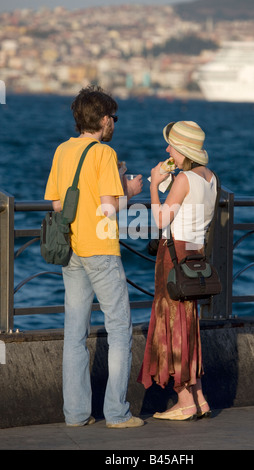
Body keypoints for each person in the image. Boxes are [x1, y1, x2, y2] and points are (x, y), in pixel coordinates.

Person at [44, 85, 144, 428]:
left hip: (70, 249)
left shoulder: (61, 150)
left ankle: (75, 414)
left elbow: (57, 205)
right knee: (119, 330)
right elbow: (110, 207)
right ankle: (116, 413)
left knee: (74, 332)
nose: (114, 123)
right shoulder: (103, 154)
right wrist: (129, 189)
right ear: (104, 120)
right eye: (113, 118)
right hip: (100, 249)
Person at [138, 121, 217, 421]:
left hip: (174, 256)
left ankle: (184, 399)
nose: (167, 149)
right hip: (195, 256)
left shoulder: (183, 179)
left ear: (183, 151)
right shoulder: (210, 178)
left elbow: (161, 220)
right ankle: (199, 398)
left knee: (170, 325)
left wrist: (152, 185)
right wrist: (164, 185)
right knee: (188, 324)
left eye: (172, 145)